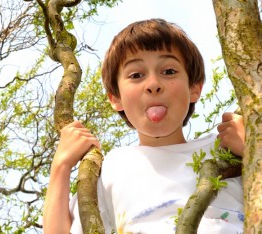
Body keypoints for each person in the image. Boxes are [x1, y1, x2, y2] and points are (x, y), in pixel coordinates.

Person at [43, 19, 245, 233]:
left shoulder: (225, 148)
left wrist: (253, 150)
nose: (153, 85)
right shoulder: (115, 167)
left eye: (168, 71)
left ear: (194, 88)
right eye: (136, 75)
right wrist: (61, 167)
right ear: (115, 98)